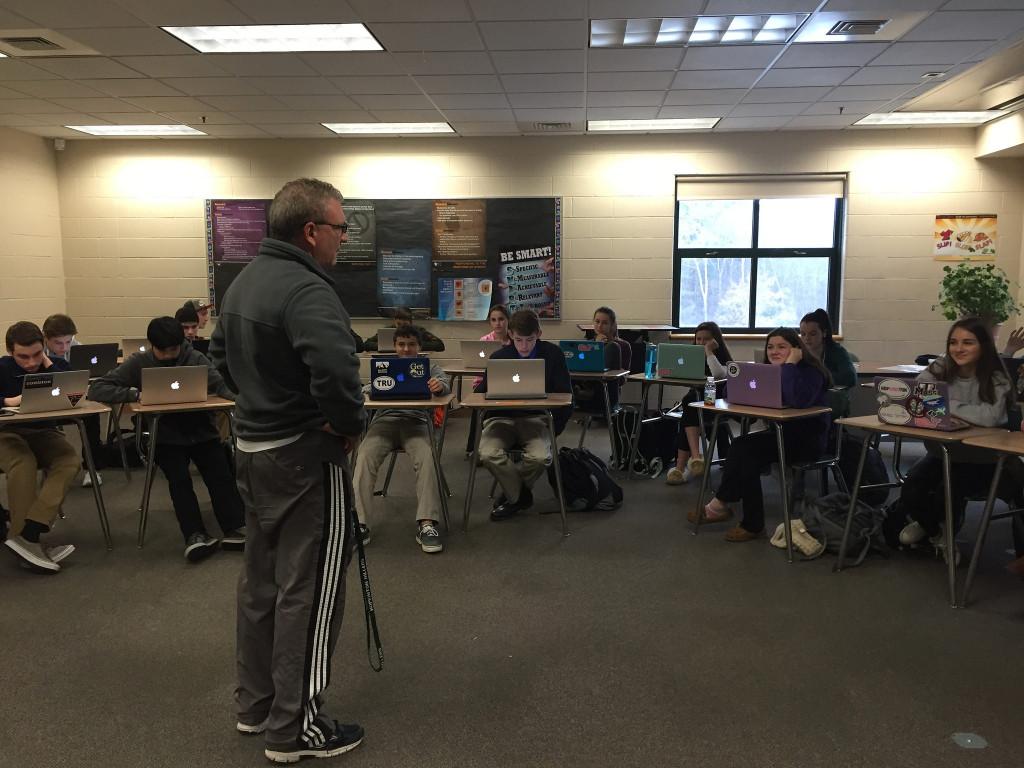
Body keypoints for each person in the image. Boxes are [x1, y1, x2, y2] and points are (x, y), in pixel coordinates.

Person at [209, 178, 367, 762]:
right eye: (340, 227)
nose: (343, 238)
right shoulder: (308, 290)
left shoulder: (243, 281)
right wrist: (346, 425)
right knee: (310, 588)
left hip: (252, 453)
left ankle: (256, 707)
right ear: (311, 231)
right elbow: (336, 371)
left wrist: (255, 404)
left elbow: (218, 357)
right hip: (303, 457)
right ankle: (294, 728)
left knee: (262, 584)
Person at [88, 316, 245, 562]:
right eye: (164, 351)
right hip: (166, 438)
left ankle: (235, 526)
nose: (171, 355)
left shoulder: (195, 358)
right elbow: (97, 389)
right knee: (179, 481)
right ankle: (194, 534)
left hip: (203, 433)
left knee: (220, 476)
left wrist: (240, 401)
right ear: (152, 346)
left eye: (175, 349)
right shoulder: (138, 362)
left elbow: (221, 386)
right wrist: (134, 393)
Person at [697, 327, 832, 542]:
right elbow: (731, 392)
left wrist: (789, 366)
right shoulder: (767, 372)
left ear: (797, 350)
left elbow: (798, 399)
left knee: (746, 450)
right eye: (770, 347)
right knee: (742, 447)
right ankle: (735, 513)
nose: (774, 351)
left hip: (807, 441)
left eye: (781, 347)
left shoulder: (810, 372)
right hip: (780, 436)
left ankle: (727, 508)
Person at [896, 318, 1011, 563]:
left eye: (968, 342)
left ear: (983, 346)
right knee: (911, 488)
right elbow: (918, 395)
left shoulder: (996, 376)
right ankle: (937, 531)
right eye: (953, 342)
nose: (958, 349)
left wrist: (946, 404)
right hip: (942, 451)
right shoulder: (941, 366)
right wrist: (958, 409)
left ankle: (944, 529)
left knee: (945, 492)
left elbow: (992, 417)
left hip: (981, 458)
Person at [355, 325, 451, 553]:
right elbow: (366, 389)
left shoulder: (431, 368)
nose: (406, 349)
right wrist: (370, 389)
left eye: (411, 345)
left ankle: (427, 523)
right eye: (401, 344)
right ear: (395, 346)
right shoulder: (385, 367)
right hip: (384, 423)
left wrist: (439, 387)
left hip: (417, 423)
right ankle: (359, 524)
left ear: (419, 347)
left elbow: (445, 386)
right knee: (364, 456)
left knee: (427, 457)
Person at [474, 309, 572, 521]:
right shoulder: (499, 357)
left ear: (539, 334)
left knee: (540, 457)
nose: (524, 346)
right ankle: (520, 496)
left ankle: (512, 495)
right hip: (501, 420)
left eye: (530, 340)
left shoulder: (553, 354)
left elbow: (566, 396)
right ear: (510, 335)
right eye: (518, 340)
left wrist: (555, 430)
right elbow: (480, 393)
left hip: (536, 419)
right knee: (488, 453)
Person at [0, 321, 80, 572]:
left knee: (69, 460)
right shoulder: (2, 367)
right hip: (5, 433)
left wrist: (48, 362)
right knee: (23, 462)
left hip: (43, 432)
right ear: (11, 352)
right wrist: (10, 400)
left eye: (36, 354)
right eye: (23, 356)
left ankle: (30, 533)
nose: (31, 362)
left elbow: (74, 391)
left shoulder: (54, 365)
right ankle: (23, 537)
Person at [42, 313, 106, 487]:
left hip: (73, 401)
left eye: (68, 342)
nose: (64, 347)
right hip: (46, 405)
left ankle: (92, 470)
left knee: (92, 417)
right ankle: (52, 469)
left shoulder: (80, 350)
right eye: (58, 343)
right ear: (45, 338)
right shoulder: (36, 353)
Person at [666, 322, 732, 485]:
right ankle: (694, 460)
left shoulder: (723, 359)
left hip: (716, 403)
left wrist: (709, 352)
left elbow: (718, 375)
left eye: (706, 339)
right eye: (698, 339)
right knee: (689, 405)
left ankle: (681, 467)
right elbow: (678, 372)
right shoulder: (692, 357)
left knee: (688, 404)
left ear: (716, 340)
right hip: (696, 404)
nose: (701, 343)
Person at [466, 305, 513, 454]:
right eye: (493, 320)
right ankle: (473, 448)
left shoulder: (515, 340)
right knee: (478, 403)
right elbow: (476, 365)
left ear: (508, 320)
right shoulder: (484, 340)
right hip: (484, 382)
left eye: (501, 319)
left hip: (508, 383)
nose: (497, 323)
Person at [799, 308, 856, 417]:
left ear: (824, 333)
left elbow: (850, 378)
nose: (807, 338)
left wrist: (819, 377)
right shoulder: (798, 352)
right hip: (806, 399)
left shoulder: (837, 352)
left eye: (813, 334)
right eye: (803, 334)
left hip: (829, 402)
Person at [573, 306, 632, 412]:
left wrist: (598, 345)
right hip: (582, 390)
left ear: (612, 325)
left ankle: (588, 390)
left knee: (612, 347)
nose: (600, 326)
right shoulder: (586, 344)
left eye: (604, 323)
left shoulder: (623, 345)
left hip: (606, 395)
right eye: (597, 321)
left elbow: (622, 380)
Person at [363, 306, 444, 352]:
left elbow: (439, 345)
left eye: (405, 324)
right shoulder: (388, 331)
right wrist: (384, 346)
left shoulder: (418, 330)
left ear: (411, 322)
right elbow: (366, 344)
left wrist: (415, 345)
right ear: (394, 321)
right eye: (398, 324)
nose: (401, 327)